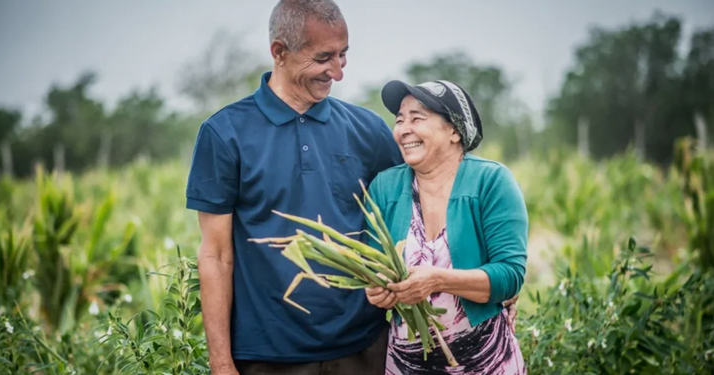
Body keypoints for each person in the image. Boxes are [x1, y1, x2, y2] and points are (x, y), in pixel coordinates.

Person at [185, 1, 404, 374]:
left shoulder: (369, 130)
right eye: (323, 58)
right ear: (279, 52)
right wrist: (221, 364)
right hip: (267, 357)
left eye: (343, 55)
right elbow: (216, 256)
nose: (337, 72)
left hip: (364, 348)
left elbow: (412, 221)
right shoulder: (224, 134)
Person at [364, 79, 528, 374]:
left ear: (454, 130)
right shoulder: (384, 188)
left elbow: (510, 275)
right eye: (400, 120)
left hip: (486, 360)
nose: (404, 129)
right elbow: (372, 267)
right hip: (407, 363)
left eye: (417, 118)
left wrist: (438, 280)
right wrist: (377, 289)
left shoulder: (491, 181)